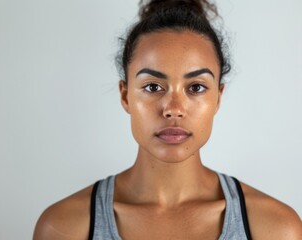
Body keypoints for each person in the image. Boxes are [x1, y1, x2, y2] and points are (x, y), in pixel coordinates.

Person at [33, 0, 302, 239]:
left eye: (196, 87)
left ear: (218, 97)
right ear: (125, 96)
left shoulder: (276, 228)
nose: (173, 109)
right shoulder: (64, 227)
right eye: (152, 87)